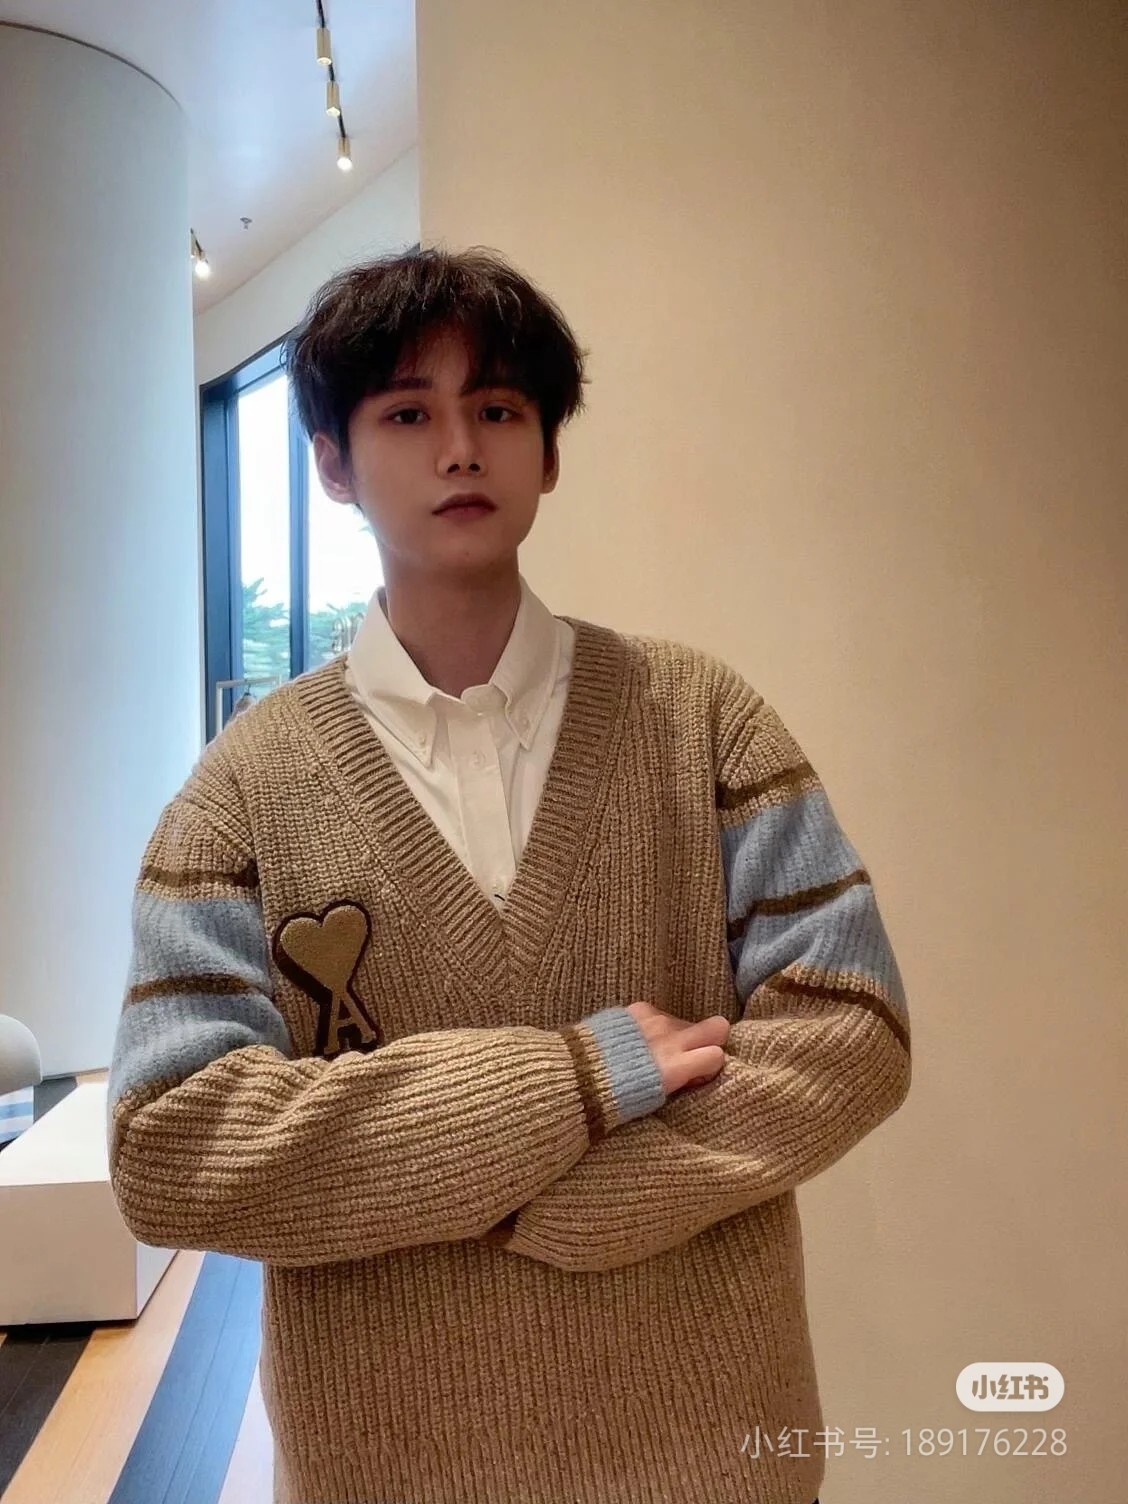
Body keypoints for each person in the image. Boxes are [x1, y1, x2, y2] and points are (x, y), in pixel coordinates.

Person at [106, 244, 910, 1504]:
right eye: (406, 414)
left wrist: (571, 1196)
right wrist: (572, 1081)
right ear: (332, 464)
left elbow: (852, 1030)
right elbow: (170, 1143)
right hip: (388, 1465)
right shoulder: (241, 789)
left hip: (712, 1447)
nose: (459, 450)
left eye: (496, 409)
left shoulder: (703, 719)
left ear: (548, 450)